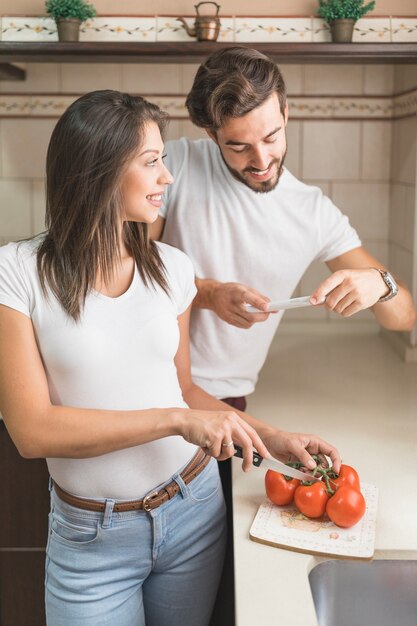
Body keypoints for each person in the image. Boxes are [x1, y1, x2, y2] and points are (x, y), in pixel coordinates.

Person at [0, 90, 342, 626]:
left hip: (193, 513)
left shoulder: (171, 267)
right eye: (152, 161)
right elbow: (32, 430)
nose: (167, 177)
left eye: (164, 160)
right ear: (100, 169)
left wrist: (273, 438)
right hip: (92, 540)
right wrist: (177, 423)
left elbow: (184, 390)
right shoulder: (17, 273)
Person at [150, 47, 416, 624]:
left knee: (215, 594)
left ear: (287, 113)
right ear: (209, 132)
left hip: (228, 414)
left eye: (270, 136)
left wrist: (381, 284)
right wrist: (206, 291)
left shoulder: (312, 212)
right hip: (145, 398)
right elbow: (124, 268)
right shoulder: (174, 166)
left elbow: (406, 317)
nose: (261, 159)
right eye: (238, 145)